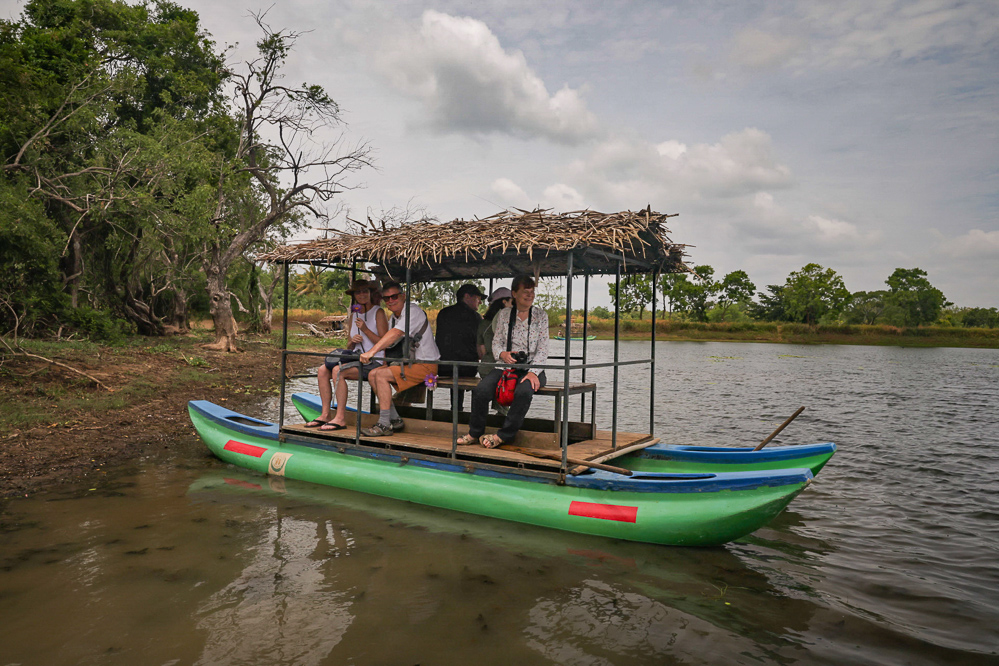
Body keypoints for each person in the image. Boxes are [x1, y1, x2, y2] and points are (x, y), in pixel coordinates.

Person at [458, 276, 548, 448]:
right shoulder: (504, 314)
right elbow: (496, 342)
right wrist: (503, 353)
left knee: (523, 392)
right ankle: (474, 432)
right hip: (505, 365)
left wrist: (533, 372)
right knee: (481, 390)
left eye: (532, 292)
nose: (530, 296)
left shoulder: (540, 316)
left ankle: (503, 435)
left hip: (532, 367)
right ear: (514, 293)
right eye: (525, 292)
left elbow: (543, 349)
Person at [358, 282, 441, 437]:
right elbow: (390, 341)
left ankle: (384, 424)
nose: (390, 301)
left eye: (394, 297)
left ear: (403, 296)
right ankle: (394, 419)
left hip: (426, 365)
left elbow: (395, 334)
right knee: (373, 374)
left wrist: (371, 352)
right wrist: (382, 361)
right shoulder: (394, 318)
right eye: (386, 298)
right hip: (409, 363)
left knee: (381, 375)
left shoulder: (412, 311)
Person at [305, 279, 389, 431]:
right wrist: (353, 341)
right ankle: (325, 414)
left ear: (370, 293)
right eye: (358, 292)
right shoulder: (354, 315)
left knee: (338, 371)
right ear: (354, 295)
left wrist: (365, 330)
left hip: (374, 361)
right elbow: (349, 345)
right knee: (323, 370)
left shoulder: (378, 312)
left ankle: (340, 417)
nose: (362, 294)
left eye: (365, 291)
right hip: (356, 358)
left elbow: (385, 342)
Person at [435, 283, 485, 410]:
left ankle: (456, 409)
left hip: (442, 367)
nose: (480, 302)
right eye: (478, 298)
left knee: (457, 364)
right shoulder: (475, 317)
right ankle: (467, 412)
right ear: (467, 296)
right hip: (467, 369)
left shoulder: (443, 313)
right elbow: (479, 344)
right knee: (465, 366)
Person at [476, 287, 512, 377]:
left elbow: (482, 351)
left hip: (486, 370)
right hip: (506, 371)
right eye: (512, 302)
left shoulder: (483, 324)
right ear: (504, 302)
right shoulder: (512, 323)